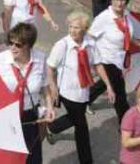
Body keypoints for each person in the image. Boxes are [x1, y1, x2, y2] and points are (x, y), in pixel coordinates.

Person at [46, 11, 116, 164]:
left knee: (74, 118)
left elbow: (97, 64)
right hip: (67, 93)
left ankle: (52, 127)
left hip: (83, 92)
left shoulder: (90, 45)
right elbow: (50, 67)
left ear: (84, 29)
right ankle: (86, 160)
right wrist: (53, 87)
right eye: (70, 27)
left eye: (76, 27)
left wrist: (109, 86)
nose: (72, 30)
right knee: (82, 128)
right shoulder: (62, 45)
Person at [0, 23, 55, 164]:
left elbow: (44, 86)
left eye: (18, 45)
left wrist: (49, 107)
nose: (12, 47)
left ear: (29, 45)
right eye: (10, 43)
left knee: (33, 158)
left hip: (30, 116)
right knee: (11, 158)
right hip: (7, 115)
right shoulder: (0, 60)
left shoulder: (40, 58)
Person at [87, 0, 140, 124]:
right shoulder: (104, 18)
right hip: (106, 58)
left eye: (123, 0)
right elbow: (90, 36)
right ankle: (126, 124)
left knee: (104, 84)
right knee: (120, 95)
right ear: (111, 0)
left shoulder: (127, 15)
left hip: (120, 58)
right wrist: (93, 61)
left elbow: (127, 34)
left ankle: (83, 100)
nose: (119, 3)